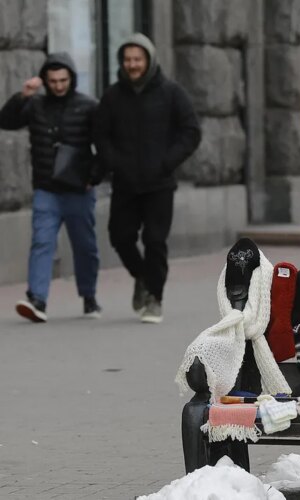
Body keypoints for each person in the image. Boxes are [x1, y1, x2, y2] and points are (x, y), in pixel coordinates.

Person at [94, 33, 201, 324]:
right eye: (128, 60)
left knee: (155, 241)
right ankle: (141, 275)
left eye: (138, 59)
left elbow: (191, 131)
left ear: (149, 60)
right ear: (122, 62)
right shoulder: (113, 96)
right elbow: (101, 134)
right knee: (120, 237)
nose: (132, 64)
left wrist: (167, 162)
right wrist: (113, 162)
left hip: (159, 184)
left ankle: (154, 297)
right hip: (125, 183)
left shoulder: (171, 93)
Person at [0, 53, 101, 323]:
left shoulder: (88, 106)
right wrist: (23, 95)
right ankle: (37, 299)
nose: (58, 85)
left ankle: (89, 297)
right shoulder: (35, 105)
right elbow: (5, 121)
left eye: (63, 80)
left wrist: (96, 175)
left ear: (72, 79)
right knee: (42, 242)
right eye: (53, 80)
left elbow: (105, 145)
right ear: (45, 79)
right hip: (46, 189)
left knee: (85, 247)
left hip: (79, 190)